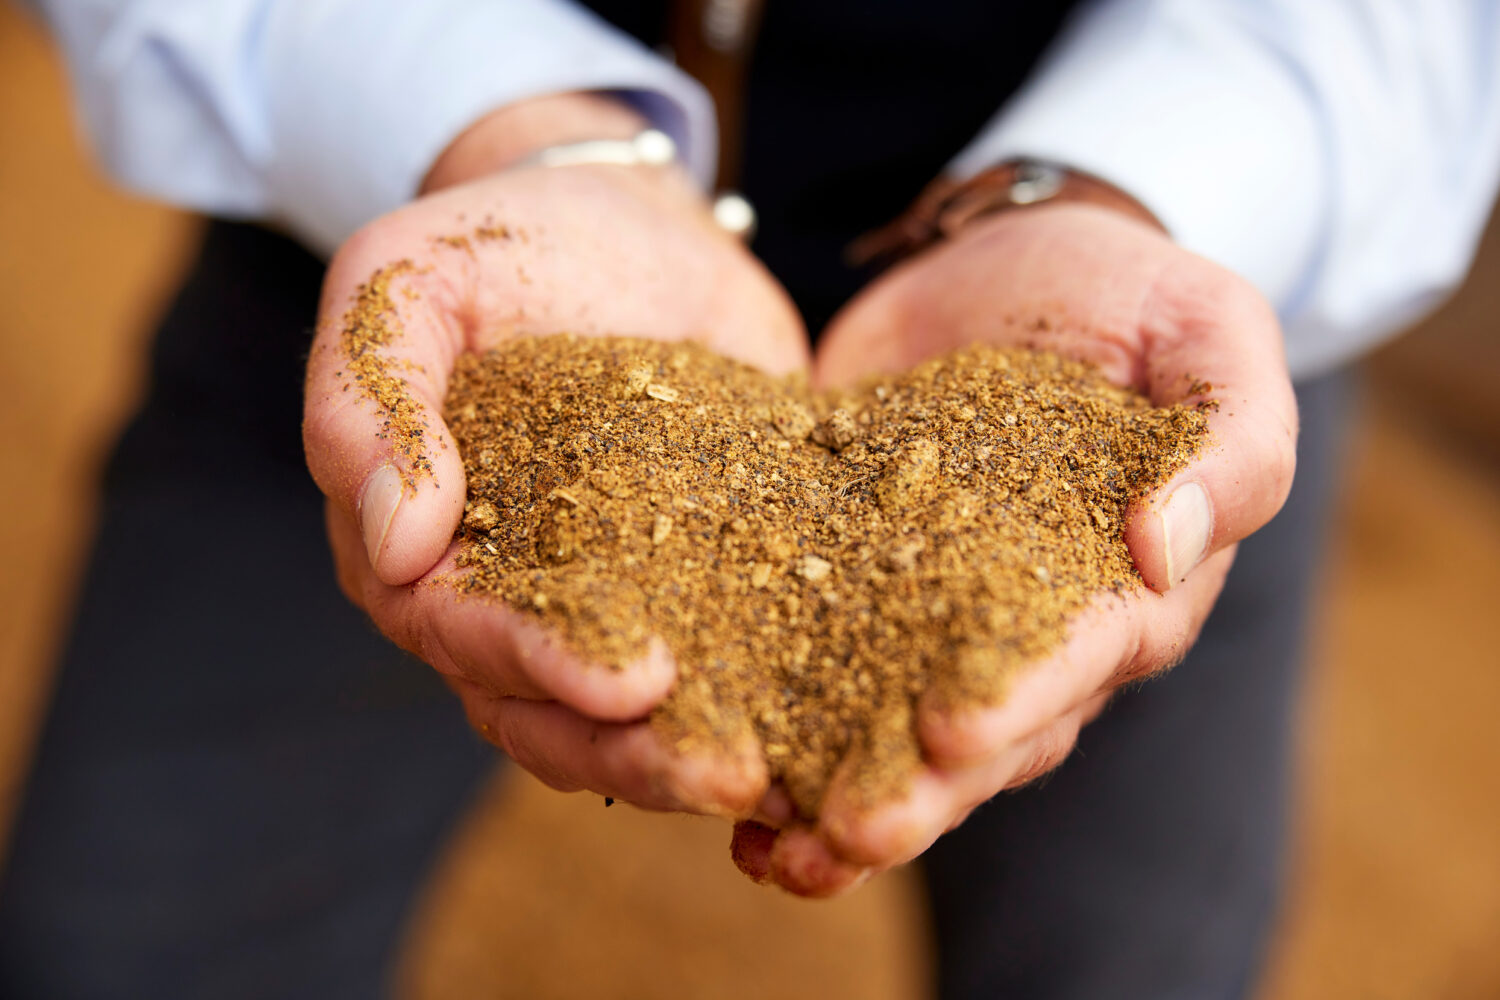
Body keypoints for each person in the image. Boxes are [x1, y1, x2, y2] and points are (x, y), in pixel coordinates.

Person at [3, 0, 1498, 997]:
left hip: (1127, 321)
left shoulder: (1133, 339)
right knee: (130, 945)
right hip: (440, 242)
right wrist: (503, 126)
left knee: (1134, 955)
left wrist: (1134, 190)